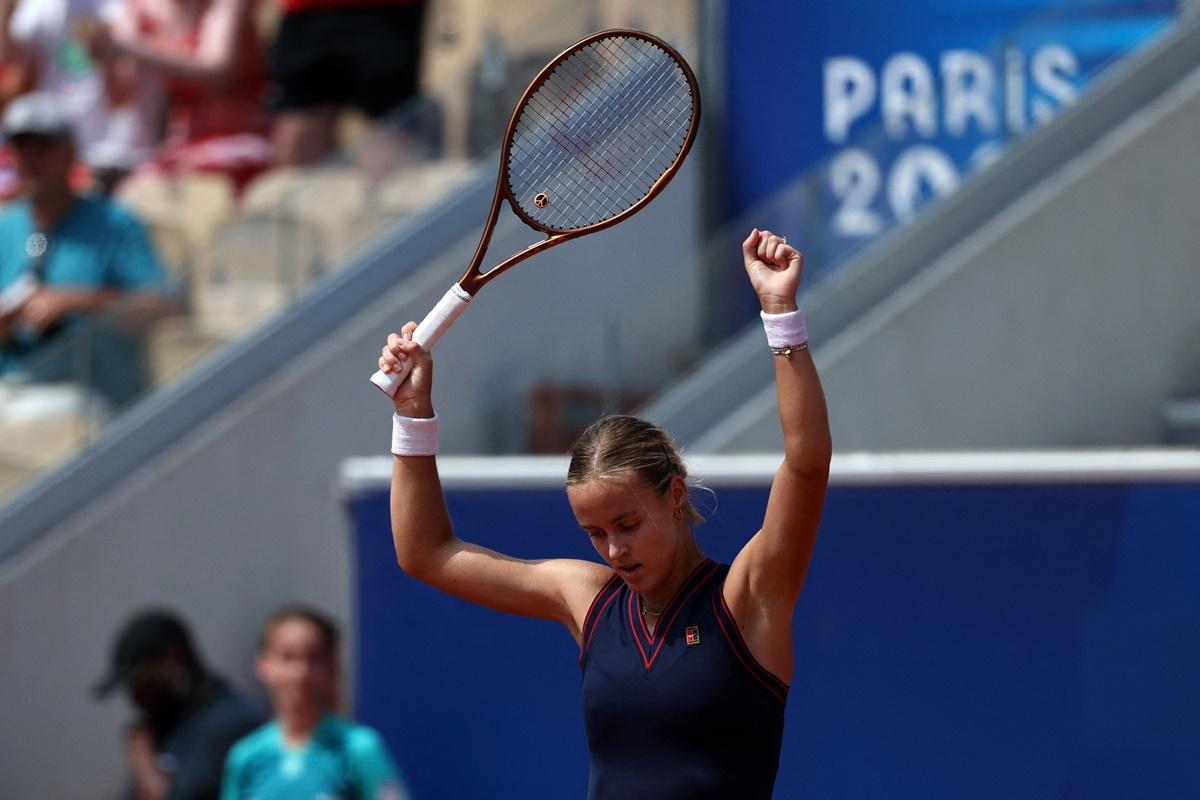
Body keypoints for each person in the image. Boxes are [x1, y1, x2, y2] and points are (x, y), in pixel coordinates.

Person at [376, 229, 832, 799]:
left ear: (675, 495)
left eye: (627, 524)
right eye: (594, 533)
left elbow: (807, 464)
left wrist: (780, 312)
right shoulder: (588, 602)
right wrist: (414, 413)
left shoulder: (748, 598)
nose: (614, 550)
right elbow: (425, 554)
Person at [0, 91, 175, 409]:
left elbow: (161, 308)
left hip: (89, 393)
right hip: (15, 383)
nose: (31, 159)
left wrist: (75, 301)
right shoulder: (6, 228)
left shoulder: (114, 223)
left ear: (70, 152)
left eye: (44, 147)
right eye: (22, 147)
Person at [221, 606, 411, 800]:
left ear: (332, 665)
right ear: (264, 664)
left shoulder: (360, 748)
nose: (301, 673)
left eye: (314, 658)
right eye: (288, 657)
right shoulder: (245, 756)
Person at [95, 0, 274, 192]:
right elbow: (120, 99)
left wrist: (133, 49)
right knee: (129, 194)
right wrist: (106, 59)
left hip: (240, 138)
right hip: (184, 145)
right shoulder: (139, 9)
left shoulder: (225, 4)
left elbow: (218, 72)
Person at [94, 609, 266, 800]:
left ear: (172, 659)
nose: (135, 699)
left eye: (139, 683)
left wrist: (142, 757)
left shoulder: (231, 723)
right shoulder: (168, 724)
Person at [0, 0, 161, 191]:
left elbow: (122, 96)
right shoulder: (37, 8)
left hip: (110, 158)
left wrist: (107, 56)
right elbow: (15, 68)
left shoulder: (121, 9)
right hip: (53, 157)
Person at [267, 0, 427, 166]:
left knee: (392, 124)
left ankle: (394, 190)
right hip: (306, 12)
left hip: (388, 12)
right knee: (301, 128)